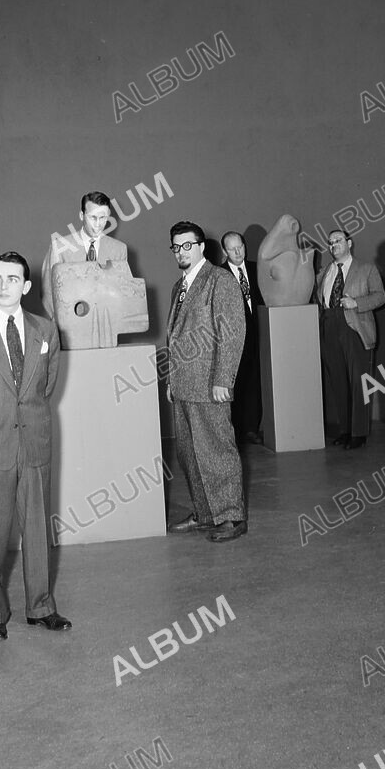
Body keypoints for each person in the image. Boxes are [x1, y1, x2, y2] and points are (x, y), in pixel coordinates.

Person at [0, 251, 71, 641]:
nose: (3, 285)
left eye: (12, 279)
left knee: (37, 530)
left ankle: (41, 606)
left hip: (35, 440)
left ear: (26, 286)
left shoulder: (46, 330)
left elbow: (43, 388)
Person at [166, 221, 247, 543]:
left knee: (216, 451)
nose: (181, 252)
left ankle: (231, 516)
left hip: (210, 384)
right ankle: (204, 513)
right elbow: (175, 338)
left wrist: (223, 378)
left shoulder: (220, 280)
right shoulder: (179, 286)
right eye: (176, 246)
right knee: (189, 454)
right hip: (184, 385)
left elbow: (233, 331)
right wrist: (171, 381)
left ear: (201, 247)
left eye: (187, 245)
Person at [316, 230, 385, 449]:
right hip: (329, 326)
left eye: (338, 241)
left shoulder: (366, 269)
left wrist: (356, 303)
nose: (333, 245)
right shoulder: (325, 271)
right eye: (330, 243)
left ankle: (359, 433)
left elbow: (380, 296)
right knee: (338, 381)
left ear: (349, 243)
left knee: (359, 382)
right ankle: (345, 430)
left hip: (355, 328)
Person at [41, 191, 127, 317]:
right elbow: (47, 292)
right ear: (82, 215)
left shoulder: (119, 250)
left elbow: (121, 292)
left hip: (106, 327)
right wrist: (62, 325)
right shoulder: (59, 246)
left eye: (103, 218)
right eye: (93, 217)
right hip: (68, 329)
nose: (98, 224)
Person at [221, 231, 264, 443]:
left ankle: (251, 428)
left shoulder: (259, 269)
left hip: (259, 337)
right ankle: (235, 431)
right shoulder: (219, 275)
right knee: (235, 385)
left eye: (241, 246)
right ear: (224, 251)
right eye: (232, 248)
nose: (238, 252)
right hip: (232, 341)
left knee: (256, 381)